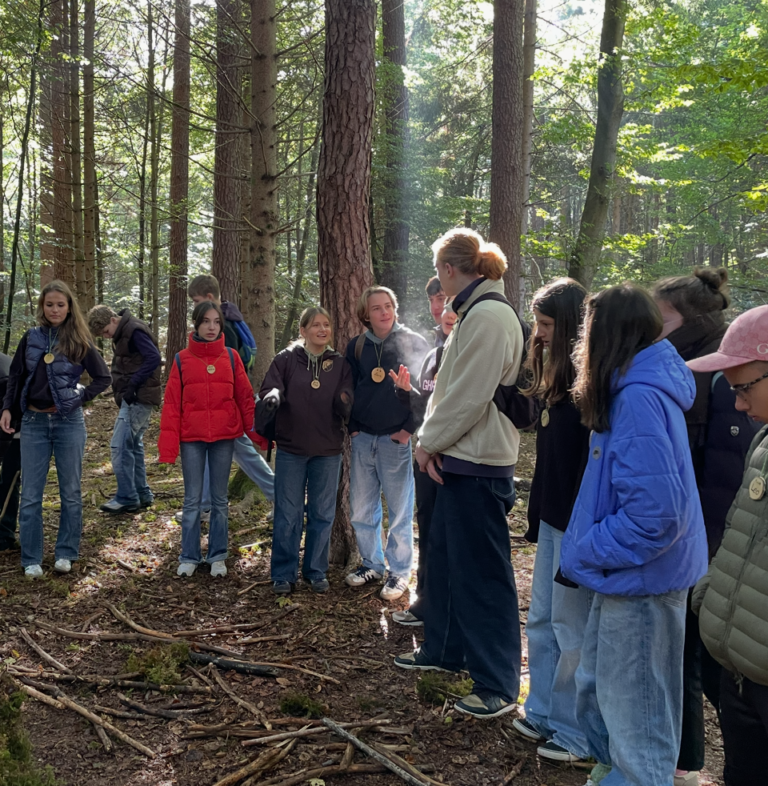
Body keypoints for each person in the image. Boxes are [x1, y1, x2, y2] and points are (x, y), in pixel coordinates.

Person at [559, 284, 708, 786]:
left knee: (637, 721)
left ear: (607, 334)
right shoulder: (631, 388)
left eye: (588, 330)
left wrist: (588, 548)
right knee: (599, 693)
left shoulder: (641, 398)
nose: (582, 342)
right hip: (625, 575)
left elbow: (656, 517)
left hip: (642, 579)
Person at [394, 228, 524, 720]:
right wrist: (430, 445)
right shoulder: (472, 315)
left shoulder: (489, 316)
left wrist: (426, 444)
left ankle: (496, 683)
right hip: (454, 457)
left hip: (479, 462)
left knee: (483, 576)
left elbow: (469, 397)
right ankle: (444, 651)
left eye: (438, 270)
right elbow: (445, 393)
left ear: (450, 269)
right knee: (446, 562)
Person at [652, 268, 759, 786]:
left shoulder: (722, 383)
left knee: (698, 662)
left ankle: (683, 760)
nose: (740, 400)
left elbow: (724, 479)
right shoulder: (695, 370)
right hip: (708, 553)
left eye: (663, 318)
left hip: (714, 547)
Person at [511, 278, 592, 765]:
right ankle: (541, 708)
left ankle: (576, 731)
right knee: (541, 617)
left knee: (571, 627)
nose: (537, 335)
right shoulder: (555, 386)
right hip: (553, 519)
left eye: (544, 325)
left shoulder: (587, 390)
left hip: (577, 526)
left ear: (568, 328)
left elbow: (586, 469)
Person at [688, 304, 768, 786]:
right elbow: (742, 535)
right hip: (741, 673)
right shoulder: (762, 443)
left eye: (744, 387)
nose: (737, 405)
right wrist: (713, 600)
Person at [0, 280, 111, 578]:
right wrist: (8, 409)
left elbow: (102, 378)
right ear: (42, 307)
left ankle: (66, 553)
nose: (55, 309)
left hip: (68, 424)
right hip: (33, 423)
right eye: (49, 304)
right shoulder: (31, 337)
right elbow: (16, 376)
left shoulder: (79, 339)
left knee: (71, 491)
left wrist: (80, 399)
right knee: (31, 494)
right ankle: (31, 558)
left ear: (69, 306)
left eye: (60, 304)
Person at [258, 306, 353, 595]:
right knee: (288, 513)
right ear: (303, 331)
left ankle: (315, 570)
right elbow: (270, 389)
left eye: (326, 325)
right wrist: (272, 397)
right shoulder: (286, 360)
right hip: (291, 448)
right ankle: (283, 574)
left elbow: (347, 392)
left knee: (323, 513)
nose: (322, 330)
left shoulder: (339, 363)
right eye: (315, 325)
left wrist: (346, 401)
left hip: (327, 449)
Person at [158, 301, 257, 578]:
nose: (211, 327)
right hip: (192, 438)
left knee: (219, 499)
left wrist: (257, 432)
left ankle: (217, 555)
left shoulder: (231, 357)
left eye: (216, 322)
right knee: (191, 500)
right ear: (196, 325)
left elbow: (245, 398)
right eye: (206, 322)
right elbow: (171, 406)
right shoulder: (181, 359)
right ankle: (189, 555)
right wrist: (167, 450)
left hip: (225, 437)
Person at [344, 285, 430, 601]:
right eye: (376, 308)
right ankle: (372, 565)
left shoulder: (411, 342)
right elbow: (348, 389)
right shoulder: (356, 347)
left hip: (396, 439)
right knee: (362, 510)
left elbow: (426, 392)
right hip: (364, 438)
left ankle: (399, 572)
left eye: (388, 306)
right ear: (365, 314)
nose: (384, 312)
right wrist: (353, 427)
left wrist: (408, 431)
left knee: (400, 510)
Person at [182, 274, 274, 521]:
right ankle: (205, 505)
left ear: (209, 298)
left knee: (245, 456)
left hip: (228, 408)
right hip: (222, 407)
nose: (194, 305)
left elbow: (228, 369)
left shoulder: (225, 328)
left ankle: (279, 497)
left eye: (196, 300)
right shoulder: (230, 320)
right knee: (233, 454)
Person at [390, 302, 457, 626]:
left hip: (454, 458)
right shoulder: (431, 353)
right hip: (426, 456)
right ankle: (424, 603)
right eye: (440, 305)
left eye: (452, 304)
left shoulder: (469, 352)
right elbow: (424, 408)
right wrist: (406, 393)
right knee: (428, 530)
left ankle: (448, 610)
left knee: (450, 535)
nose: (446, 311)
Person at [87, 305, 162, 514]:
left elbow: (154, 358)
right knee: (133, 446)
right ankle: (142, 494)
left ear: (112, 320)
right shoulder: (126, 331)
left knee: (119, 447)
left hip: (139, 397)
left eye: (105, 331)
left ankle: (127, 497)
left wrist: (133, 385)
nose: (106, 336)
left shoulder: (133, 330)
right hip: (136, 397)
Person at [0, 353, 21, 552]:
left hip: (15, 432)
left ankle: (4, 535)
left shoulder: (4, 375)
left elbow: (11, 411)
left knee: (9, 481)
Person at [426, 276, 448, 346]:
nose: (434, 307)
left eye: (441, 299)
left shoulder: (463, 333)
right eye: (431, 300)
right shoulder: (440, 334)